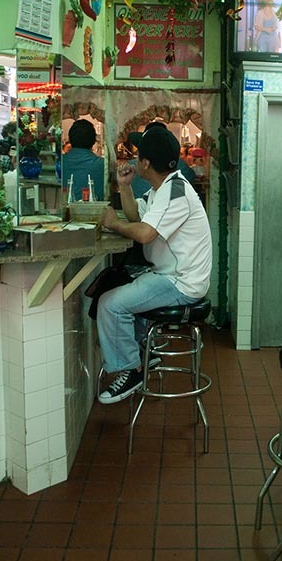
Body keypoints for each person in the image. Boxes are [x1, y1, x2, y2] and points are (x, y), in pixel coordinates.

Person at [96, 124, 213, 404]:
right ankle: (145, 352)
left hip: (181, 283)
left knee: (110, 304)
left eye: (138, 155)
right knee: (119, 287)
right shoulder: (164, 188)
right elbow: (137, 215)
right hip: (168, 275)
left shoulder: (175, 193)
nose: (135, 159)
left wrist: (114, 224)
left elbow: (145, 233)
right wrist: (124, 187)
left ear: (146, 162)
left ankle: (132, 369)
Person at [125, 122, 196, 199]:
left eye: (138, 155)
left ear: (146, 163)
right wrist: (124, 185)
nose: (136, 161)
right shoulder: (156, 190)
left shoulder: (171, 195)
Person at [62, 119, 104, 201]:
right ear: (93, 140)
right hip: (95, 212)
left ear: (70, 139)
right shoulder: (103, 165)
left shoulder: (60, 163)